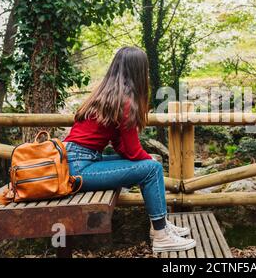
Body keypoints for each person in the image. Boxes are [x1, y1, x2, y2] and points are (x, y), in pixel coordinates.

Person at [63, 46, 196, 253]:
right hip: (79, 169)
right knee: (152, 168)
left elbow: (119, 145)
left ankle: (159, 226)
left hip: (76, 161)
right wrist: (149, 163)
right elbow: (133, 152)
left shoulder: (106, 95)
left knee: (150, 164)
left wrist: (147, 160)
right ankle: (161, 236)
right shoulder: (124, 101)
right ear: (138, 71)